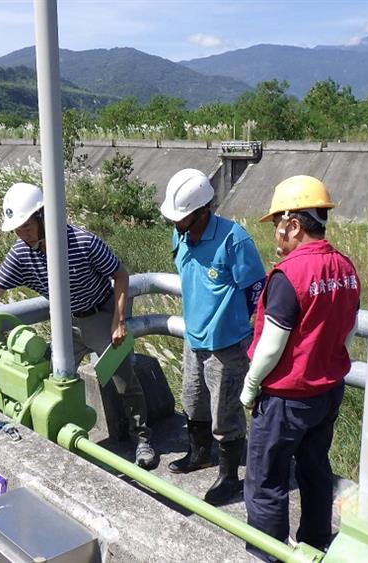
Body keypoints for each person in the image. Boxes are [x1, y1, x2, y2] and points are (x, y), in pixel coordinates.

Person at [0, 182, 155, 468]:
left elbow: (120, 275)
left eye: (27, 228)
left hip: (100, 316)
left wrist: (118, 322)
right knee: (46, 374)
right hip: (65, 322)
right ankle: (48, 433)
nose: (22, 235)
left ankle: (142, 438)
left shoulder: (84, 242)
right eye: (17, 230)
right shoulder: (22, 253)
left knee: (123, 379)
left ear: (44, 217)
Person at [239, 175, 361, 560]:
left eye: (278, 225)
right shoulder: (344, 267)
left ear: (294, 223)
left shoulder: (289, 274)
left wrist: (250, 386)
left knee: (266, 481)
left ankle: (269, 553)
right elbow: (348, 331)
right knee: (314, 469)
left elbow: (272, 344)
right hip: (326, 392)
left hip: (286, 400)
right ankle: (314, 544)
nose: (276, 234)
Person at [159, 168, 266, 505]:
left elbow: (256, 289)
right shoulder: (180, 235)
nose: (175, 224)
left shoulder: (234, 240)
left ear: (202, 210)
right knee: (193, 400)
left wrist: (234, 325)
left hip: (227, 346)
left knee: (226, 414)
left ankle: (229, 476)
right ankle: (199, 454)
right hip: (194, 339)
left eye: (182, 217)